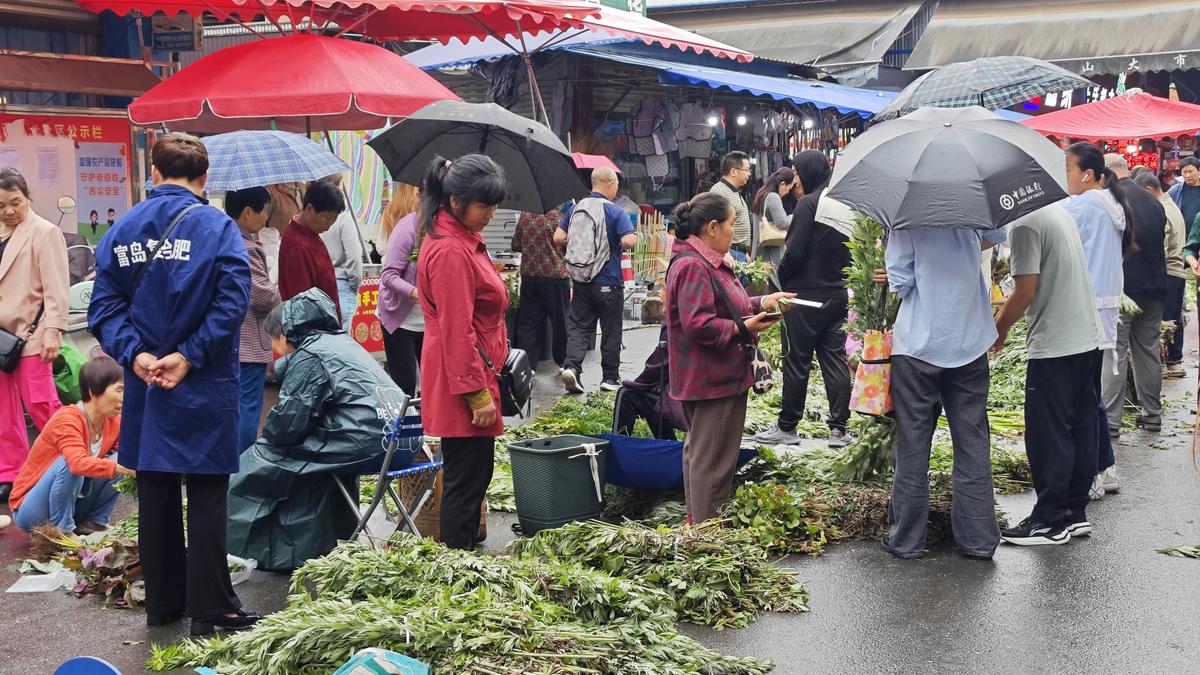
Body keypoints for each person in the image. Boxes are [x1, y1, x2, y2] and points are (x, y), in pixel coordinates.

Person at [88, 132, 256, 634]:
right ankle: (211, 608)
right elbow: (232, 302)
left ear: (154, 174)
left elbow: (104, 307)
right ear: (204, 179)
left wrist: (136, 356)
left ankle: (162, 604)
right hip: (203, 381)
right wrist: (187, 356)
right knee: (206, 494)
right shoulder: (218, 226)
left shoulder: (123, 229)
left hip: (145, 384)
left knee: (156, 489)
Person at [226, 291, 395, 569]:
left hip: (363, 442)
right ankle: (314, 546)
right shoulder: (342, 343)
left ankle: (245, 550)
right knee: (312, 467)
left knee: (253, 464)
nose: (273, 348)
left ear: (283, 333)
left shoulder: (310, 354)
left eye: (271, 339)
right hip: (396, 441)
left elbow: (288, 423)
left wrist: (267, 439)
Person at [876, 218, 1006, 560]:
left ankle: (907, 540)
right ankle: (978, 540)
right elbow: (997, 234)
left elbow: (900, 281)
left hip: (917, 345)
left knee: (913, 442)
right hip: (969, 339)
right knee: (973, 439)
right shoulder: (973, 208)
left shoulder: (908, 217)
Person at [665, 193, 792, 524]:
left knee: (703, 455)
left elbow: (727, 303)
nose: (733, 233)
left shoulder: (706, 260)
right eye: (731, 225)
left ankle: (699, 525)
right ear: (711, 227)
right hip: (712, 378)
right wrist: (746, 326)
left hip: (713, 376)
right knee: (713, 461)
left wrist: (763, 302)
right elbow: (698, 324)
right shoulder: (694, 265)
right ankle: (706, 536)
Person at [992, 204, 1103, 545]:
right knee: (1081, 428)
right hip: (1087, 338)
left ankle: (1048, 520)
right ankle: (1074, 512)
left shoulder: (1025, 225)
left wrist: (999, 329)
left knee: (1048, 433)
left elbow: (1025, 290)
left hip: (1056, 344)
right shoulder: (1056, 212)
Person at [416, 154, 509, 551]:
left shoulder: (458, 238)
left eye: (494, 204)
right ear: (455, 202)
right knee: (465, 481)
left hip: (469, 371)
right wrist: (476, 394)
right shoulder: (451, 250)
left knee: (472, 475)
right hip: (465, 379)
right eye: (483, 205)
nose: (491, 213)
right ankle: (457, 569)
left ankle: (463, 562)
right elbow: (457, 332)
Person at [758, 150, 852, 448]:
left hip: (804, 299)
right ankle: (838, 429)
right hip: (837, 295)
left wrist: (783, 281)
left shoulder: (808, 205)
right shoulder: (846, 205)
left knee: (796, 362)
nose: (795, 179)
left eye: (797, 173)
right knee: (835, 361)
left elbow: (794, 252)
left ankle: (787, 427)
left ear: (809, 172)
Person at [1061, 142, 1135, 500]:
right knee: (1090, 394)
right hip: (1101, 308)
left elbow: (1055, 225)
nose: (1066, 178)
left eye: (1069, 171)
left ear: (1088, 174)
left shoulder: (1088, 203)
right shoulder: (1108, 202)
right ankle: (1105, 468)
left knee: (1083, 398)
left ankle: (1091, 472)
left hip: (1085, 309)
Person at [0, 167, 69, 504]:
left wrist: (54, 330)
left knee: (40, 401)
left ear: (27, 197)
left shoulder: (45, 232)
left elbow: (57, 288)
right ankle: (11, 473)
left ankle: (71, 457)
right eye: (0, 205)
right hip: (1, 338)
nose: (9, 211)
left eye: (15, 202)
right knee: (3, 409)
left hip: (32, 333)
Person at [10, 356, 133, 534]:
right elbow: (77, 464)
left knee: (127, 458)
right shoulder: (67, 418)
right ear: (93, 391)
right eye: (119, 390)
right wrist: (125, 468)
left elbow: (129, 452)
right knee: (71, 463)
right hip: (32, 511)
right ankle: (64, 531)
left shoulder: (113, 420)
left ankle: (94, 521)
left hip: (72, 504)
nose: (124, 397)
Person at [1102, 155, 1166, 443]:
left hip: (1123, 289)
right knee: (1148, 352)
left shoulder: (1111, 200)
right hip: (1154, 287)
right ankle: (1152, 414)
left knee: (1114, 353)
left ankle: (1111, 422)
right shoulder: (1153, 199)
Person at [556, 166, 636, 393]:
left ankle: (572, 367)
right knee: (611, 330)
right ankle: (609, 378)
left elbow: (558, 237)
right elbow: (629, 241)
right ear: (611, 184)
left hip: (582, 280)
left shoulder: (576, 208)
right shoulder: (615, 211)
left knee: (579, 327)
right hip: (609, 281)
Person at [226, 187, 281, 452]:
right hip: (247, 344)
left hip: (228, 342)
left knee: (232, 408)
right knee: (246, 410)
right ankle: (242, 470)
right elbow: (264, 296)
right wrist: (275, 286)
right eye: (264, 209)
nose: (266, 216)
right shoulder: (245, 248)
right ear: (248, 212)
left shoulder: (223, 238)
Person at [1139, 171, 1189, 378]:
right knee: (1172, 316)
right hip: (1175, 271)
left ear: (1149, 191)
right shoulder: (1169, 205)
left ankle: (1173, 361)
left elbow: (1163, 246)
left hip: (1169, 270)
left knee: (1169, 318)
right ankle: (1173, 361)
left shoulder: (1162, 209)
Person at [378, 183, 424, 396]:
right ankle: (404, 429)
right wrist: (417, 292)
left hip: (429, 320)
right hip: (399, 318)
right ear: (418, 194)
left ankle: (427, 429)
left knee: (432, 384)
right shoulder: (407, 228)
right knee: (404, 384)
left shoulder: (444, 229)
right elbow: (389, 275)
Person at [512, 205, 570, 369]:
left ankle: (526, 365)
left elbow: (515, 244)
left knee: (529, 323)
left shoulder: (525, 217)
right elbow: (568, 245)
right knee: (560, 322)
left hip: (530, 275)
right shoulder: (559, 219)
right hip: (556, 277)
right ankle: (563, 362)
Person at [278, 180, 344, 324]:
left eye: (334, 218)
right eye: (327, 217)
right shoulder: (297, 246)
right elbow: (303, 304)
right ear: (309, 209)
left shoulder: (310, 234)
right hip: (314, 331)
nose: (330, 224)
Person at [614, 326, 686, 440]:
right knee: (653, 396)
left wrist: (638, 383)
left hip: (689, 407)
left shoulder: (676, 321)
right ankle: (667, 446)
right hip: (709, 404)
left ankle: (615, 448)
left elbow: (658, 368)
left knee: (626, 394)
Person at [318, 173, 364, 331]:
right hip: (342, 286)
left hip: (320, 288)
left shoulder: (314, 218)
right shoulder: (343, 219)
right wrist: (355, 285)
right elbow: (355, 257)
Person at [751, 167, 795, 289]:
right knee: (773, 291)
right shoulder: (773, 197)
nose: (787, 192)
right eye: (788, 188)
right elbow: (782, 223)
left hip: (759, 253)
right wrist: (793, 218)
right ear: (782, 184)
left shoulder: (761, 194)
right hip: (771, 254)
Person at [707, 151, 753, 263]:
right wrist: (725, 253)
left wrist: (745, 252)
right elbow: (715, 225)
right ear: (734, 171)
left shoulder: (735, 191)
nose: (749, 174)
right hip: (730, 253)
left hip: (738, 252)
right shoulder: (720, 191)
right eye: (747, 170)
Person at [1168, 157, 1200, 238]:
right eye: (1184, 172)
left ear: (1199, 170)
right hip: (1182, 235)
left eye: (1190, 171)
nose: (1187, 175)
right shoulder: (1174, 191)